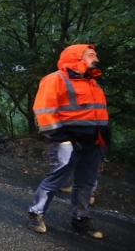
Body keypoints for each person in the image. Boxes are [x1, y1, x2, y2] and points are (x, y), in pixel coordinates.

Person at [28, 44, 110, 239]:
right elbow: (44, 110)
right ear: (76, 58)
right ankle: (35, 213)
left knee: (86, 183)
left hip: (93, 143)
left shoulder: (92, 83)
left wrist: (103, 140)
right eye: (91, 55)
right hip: (66, 142)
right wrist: (61, 139)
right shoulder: (55, 79)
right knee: (56, 179)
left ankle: (81, 219)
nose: (95, 59)